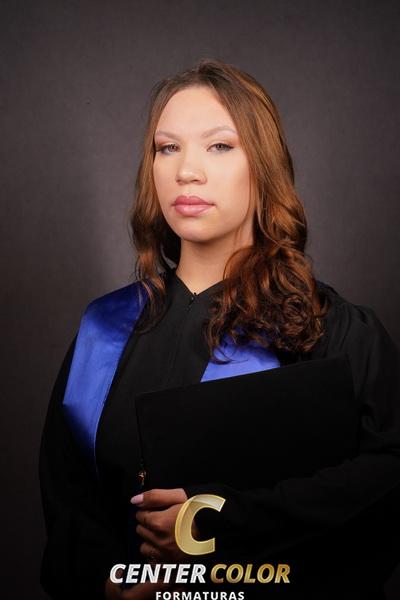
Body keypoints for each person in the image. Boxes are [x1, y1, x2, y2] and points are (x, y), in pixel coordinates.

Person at [39, 58, 400, 600]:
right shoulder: (103, 330)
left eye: (220, 146)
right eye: (168, 147)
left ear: (263, 165)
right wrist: (110, 580)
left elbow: (382, 485)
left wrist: (215, 529)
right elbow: (66, 496)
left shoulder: (331, 331)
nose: (187, 171)